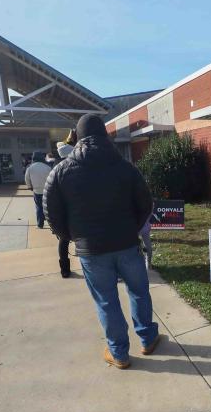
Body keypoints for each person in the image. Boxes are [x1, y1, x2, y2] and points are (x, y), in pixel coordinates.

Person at [44, 114, 159, 369]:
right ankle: (148, 339)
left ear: (78, 137)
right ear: (105, 135)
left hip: (92, 250)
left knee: (106, 301)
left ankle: (119, 353)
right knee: (139, 291)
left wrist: (72, 236)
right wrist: (133, 228)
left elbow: (51, 212)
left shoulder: (61, 171)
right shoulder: (125, 167)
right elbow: (146, 203)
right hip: (128, 244)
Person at [53, 129, 78, 277]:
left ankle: (65, 270)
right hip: (75, 209)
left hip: (63, 210)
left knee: (63, 240)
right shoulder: (74, 165)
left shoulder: (56, 166)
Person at [24, 151, 51, 229]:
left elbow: (27, 178)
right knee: (48, 207)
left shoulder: (30, 167)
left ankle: (40, 224)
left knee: (39, 207)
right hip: (47, 190)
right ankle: (52, 224)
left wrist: (29, 187)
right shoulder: (47, 167)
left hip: (36, 190)